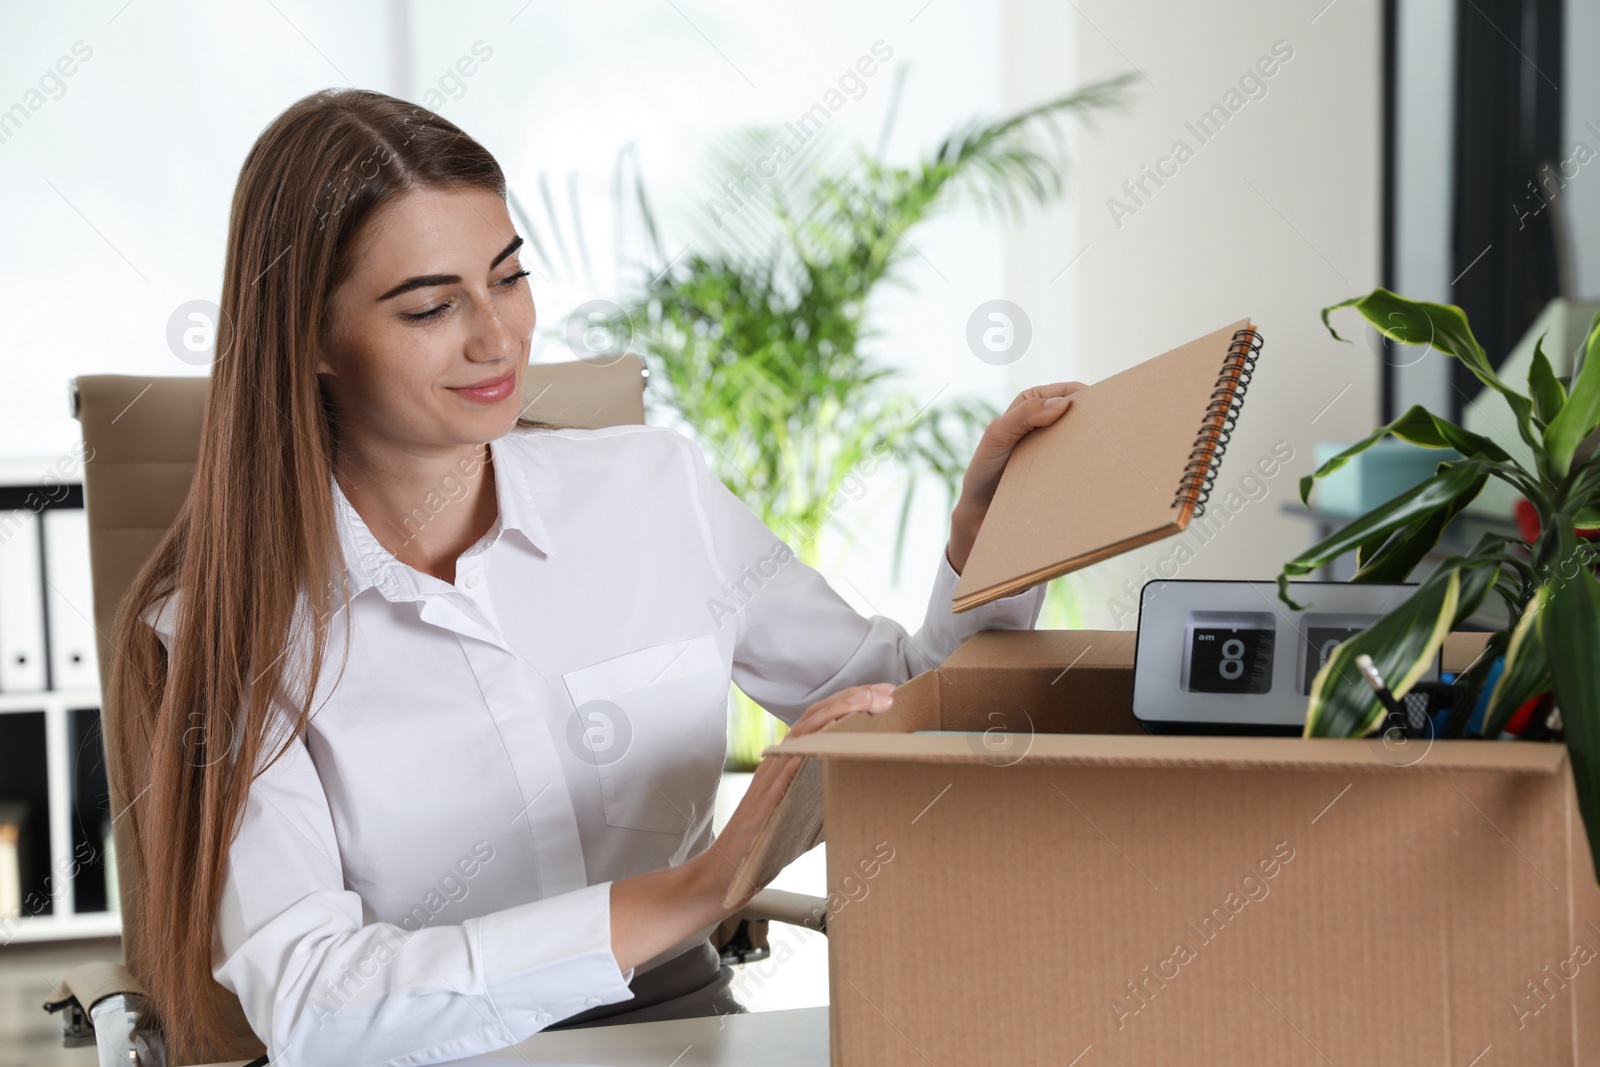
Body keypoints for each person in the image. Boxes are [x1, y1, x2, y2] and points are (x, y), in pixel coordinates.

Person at [107, 88, 1081, 1067]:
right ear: (309, 339)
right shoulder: (226, 627)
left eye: (509, 276)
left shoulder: (653, 491)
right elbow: (317, 1001)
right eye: (431, 305)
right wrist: (705, 883)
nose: (496, 338)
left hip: (679, 1031)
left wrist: (988, 547)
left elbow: (905, 710)